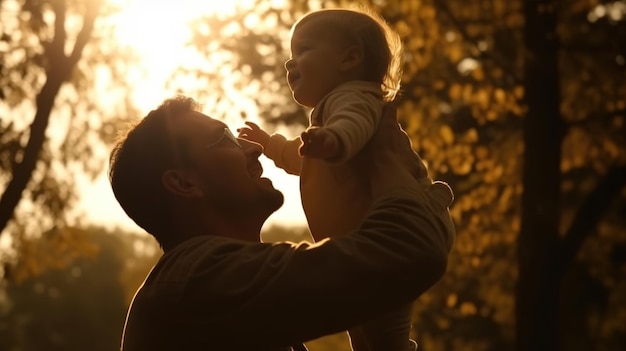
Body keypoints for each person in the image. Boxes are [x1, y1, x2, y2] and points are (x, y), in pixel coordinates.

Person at [109, 96, 454, 351]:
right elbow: (410, 250)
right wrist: (386, 159)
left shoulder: (215, 286)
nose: (252, 148)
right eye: (224, 139)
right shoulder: (201, 280)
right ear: (185, 184)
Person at [237, 7, 455, 351]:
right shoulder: (329, 114)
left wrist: (335, 140)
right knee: (368, 331)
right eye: (291, 55)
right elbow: (302, 158)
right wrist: (270, 144)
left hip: (402, 227)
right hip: (375, 239)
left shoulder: (354, 97)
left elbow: (355, 124)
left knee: (381, 332)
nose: (289, 64)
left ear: (350, 58)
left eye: (304, 51)